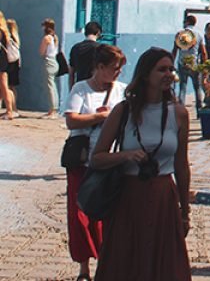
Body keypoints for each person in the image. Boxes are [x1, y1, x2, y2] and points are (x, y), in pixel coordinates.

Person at [92, 47, 191, 280]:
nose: (168, 74)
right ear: (146, 74)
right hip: (129, 197)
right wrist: (126, 156)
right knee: (127, 263)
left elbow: (181, 165)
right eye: (161, 70)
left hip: (163, 198)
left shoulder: (178, 114)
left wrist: (184, 211)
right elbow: (97, 158)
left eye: (171, 69)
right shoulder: (123, 111)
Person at [63, 44, 127, 281]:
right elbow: (71, 120)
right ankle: (83, 268)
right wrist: (101, 117)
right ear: (100, 67)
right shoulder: (81, 89)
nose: (117, 73)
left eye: (119, 69)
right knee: (79, 215)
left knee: (106, 215)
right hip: (81, 160)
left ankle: (106, 264)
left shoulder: (122, 91)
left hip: (110, 160)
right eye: (114, 68)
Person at [171, 14, 207, 112]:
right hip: (194, 64)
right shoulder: (199, 34)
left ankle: (181, 110)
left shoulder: (180, 34)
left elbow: (174, 50)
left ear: (187, 22)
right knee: (197, 88)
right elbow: (203, 52)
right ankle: (199, 110)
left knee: (182, 87)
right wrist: (205, 65)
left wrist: (171, 63)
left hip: (182, 63)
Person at [69, 22, 102, 86]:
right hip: (95, 86)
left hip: (79, 85)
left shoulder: (75, 48)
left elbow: (71, 71)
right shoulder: (100, 48)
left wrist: (72, 88)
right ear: (98, 33)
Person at [41, 18, 62, 119]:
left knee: (50, 86)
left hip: (49, 61)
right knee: (53, 85)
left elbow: (41, 51)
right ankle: (53, 109)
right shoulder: (55, 37)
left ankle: (53, 110)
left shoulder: (47, 38)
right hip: (55, 61)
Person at [3, 17, 22, 118]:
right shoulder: (16, 38)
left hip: (8, 64)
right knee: (12, 87)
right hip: (15, 64)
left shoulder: (7, 38)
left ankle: (10, 108)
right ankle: (14, 108)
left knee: (7, 87)